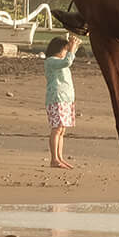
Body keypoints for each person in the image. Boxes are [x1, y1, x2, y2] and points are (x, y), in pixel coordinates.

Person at [45, 34, 80, 168]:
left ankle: (59, 157)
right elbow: (67, 61)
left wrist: (74, 45)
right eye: (65, 49)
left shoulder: (59, 61)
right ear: (59, 49)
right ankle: (54, 159)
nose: (67, 52)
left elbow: (68, 59)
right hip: (56, 99)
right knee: (57, 128)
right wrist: (72, 47)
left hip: (66, 99)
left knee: (62, 130)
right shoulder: (51, 61)